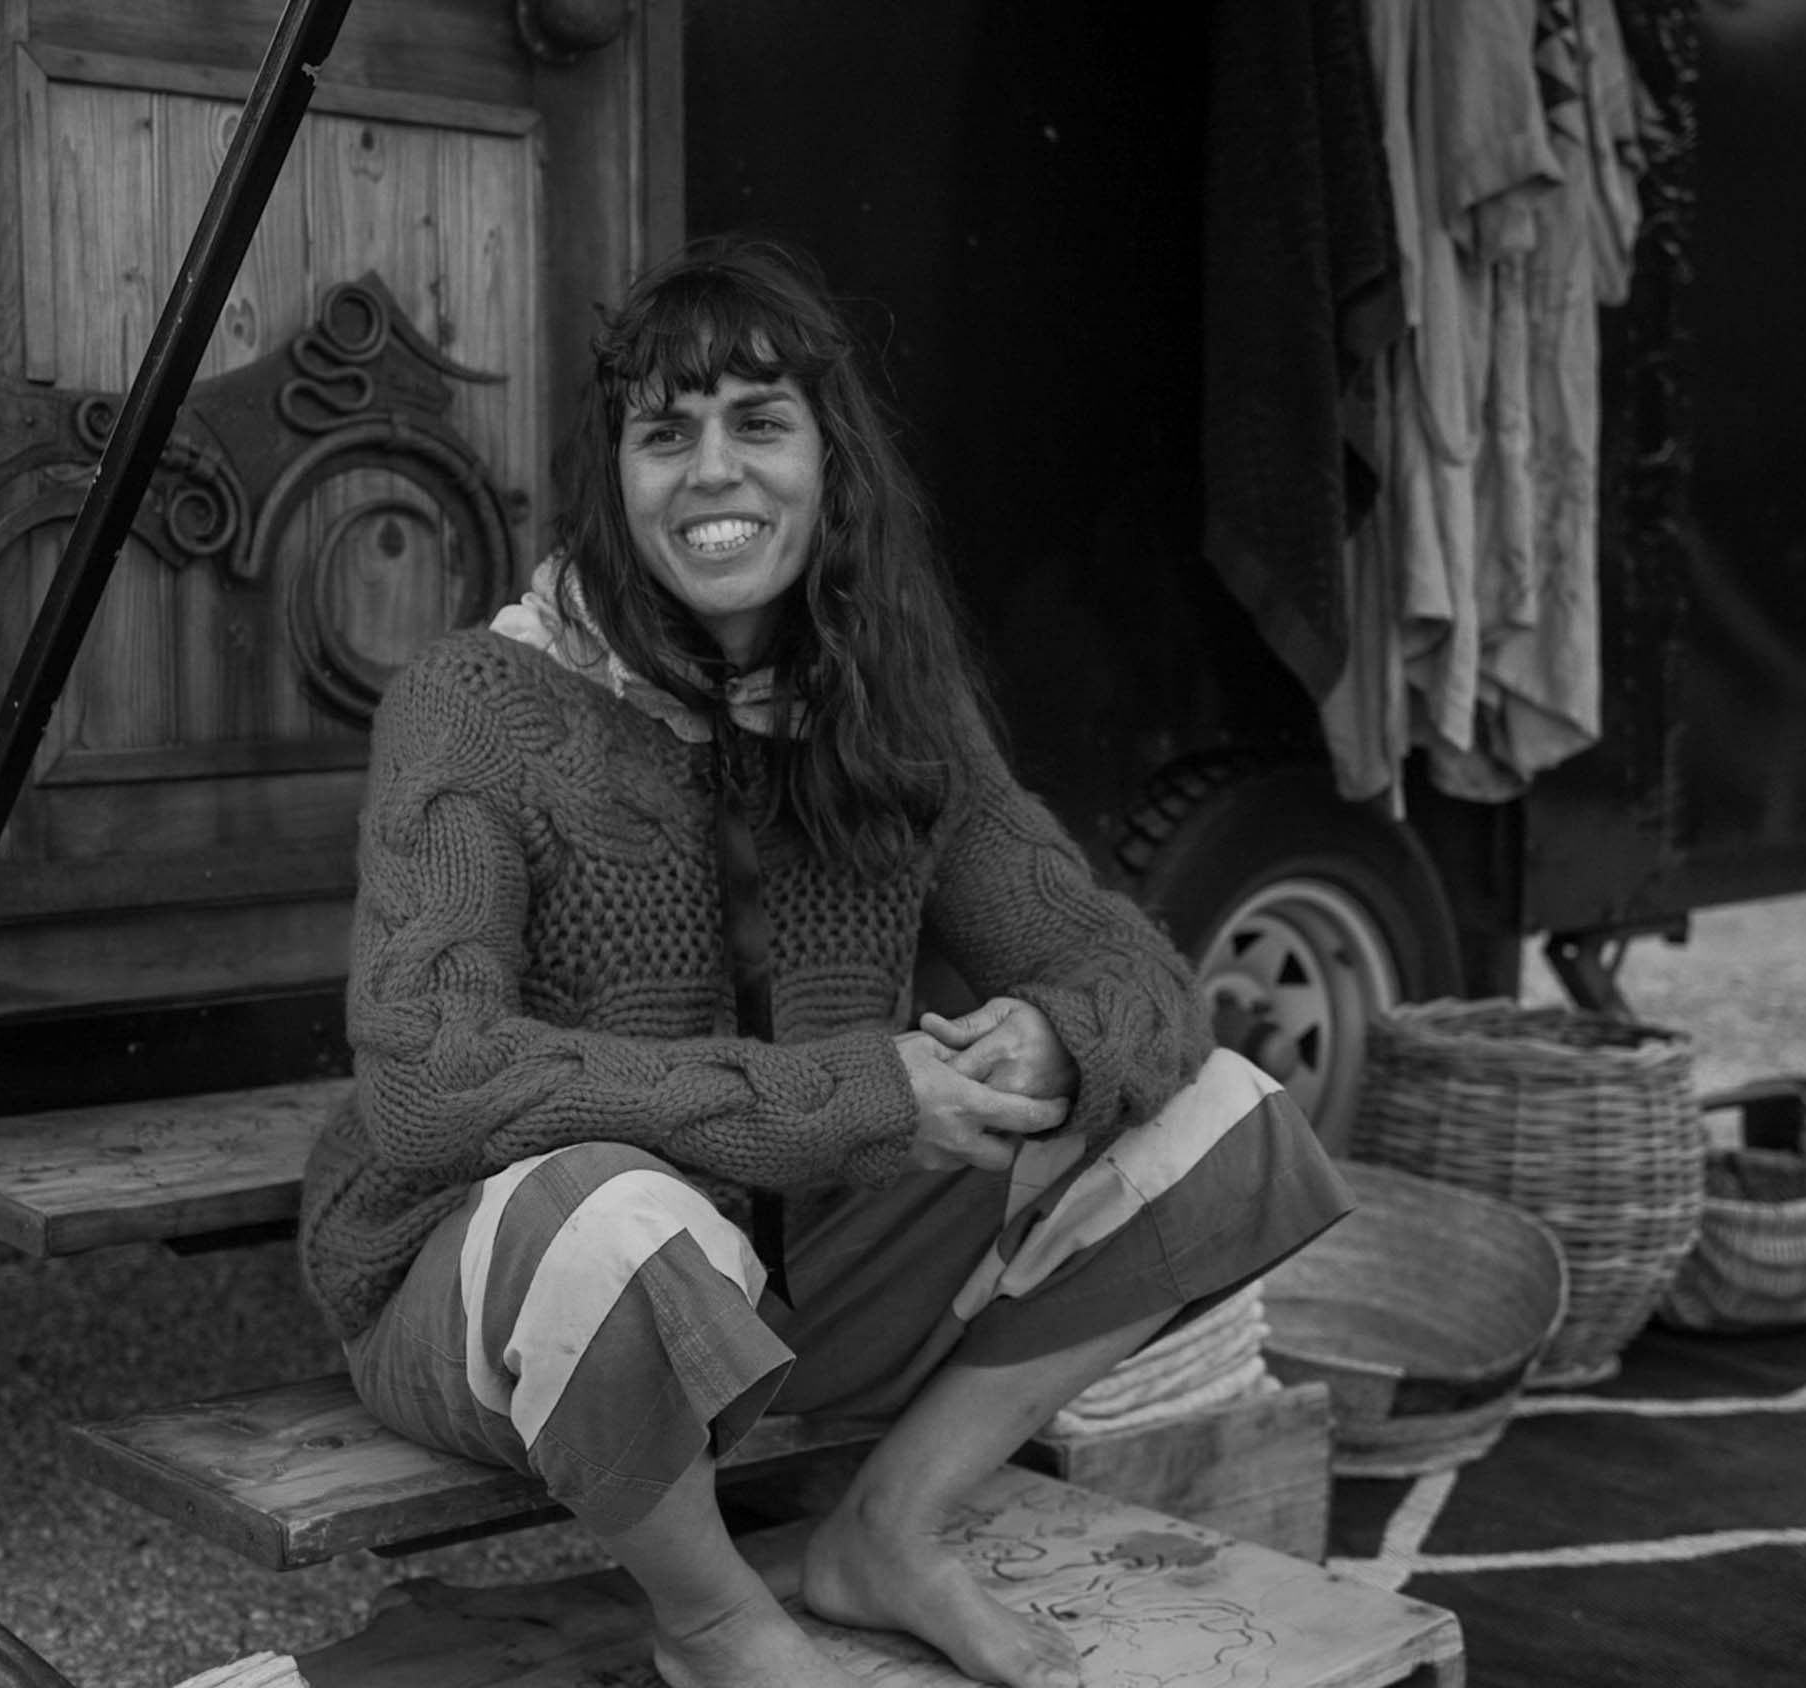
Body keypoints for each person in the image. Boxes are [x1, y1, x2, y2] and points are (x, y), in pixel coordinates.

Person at [296, 235, 1352, 1688]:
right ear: (616, 479)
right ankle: (717, 1618)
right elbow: (430, 1083)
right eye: (665, 435)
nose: (712, 471)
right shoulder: (477, 700)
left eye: (759, 424)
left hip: (795, 1270)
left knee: (1212, 1111)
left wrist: (1054, 1031)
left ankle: (886, 1531)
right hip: (485, 1291)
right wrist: (859, 1094)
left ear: (828, 461)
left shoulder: (887, 702)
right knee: (609, 1215)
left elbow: (1122, 959)